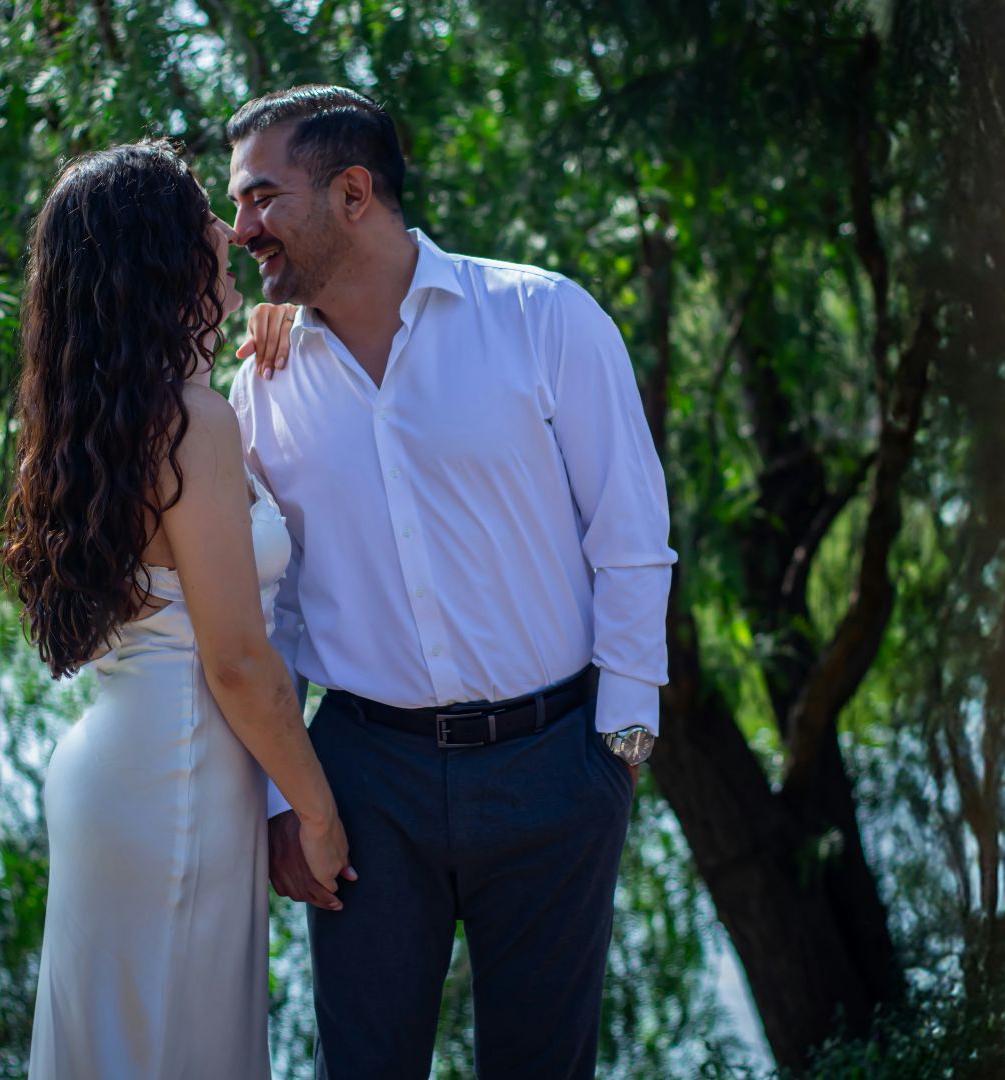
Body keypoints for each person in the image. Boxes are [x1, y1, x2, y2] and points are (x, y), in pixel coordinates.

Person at [226, 86, 676, 1079]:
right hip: (362, 786)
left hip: (556, 768)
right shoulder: (259, 386)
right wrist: (279, 800)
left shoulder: (543, 317)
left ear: (353, 192)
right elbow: (271, 614)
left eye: (263, 199)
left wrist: (621, 745)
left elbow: (632, 533)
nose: (241, 229)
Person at [0, 139, 354, 1080]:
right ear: (157, 248)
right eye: (202, 209)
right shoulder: (190, 423)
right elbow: (237, 660)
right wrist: (316, 811)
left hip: (123, 770)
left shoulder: (106, 418)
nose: (229, 229)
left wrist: (283, 338)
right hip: (179, 779)